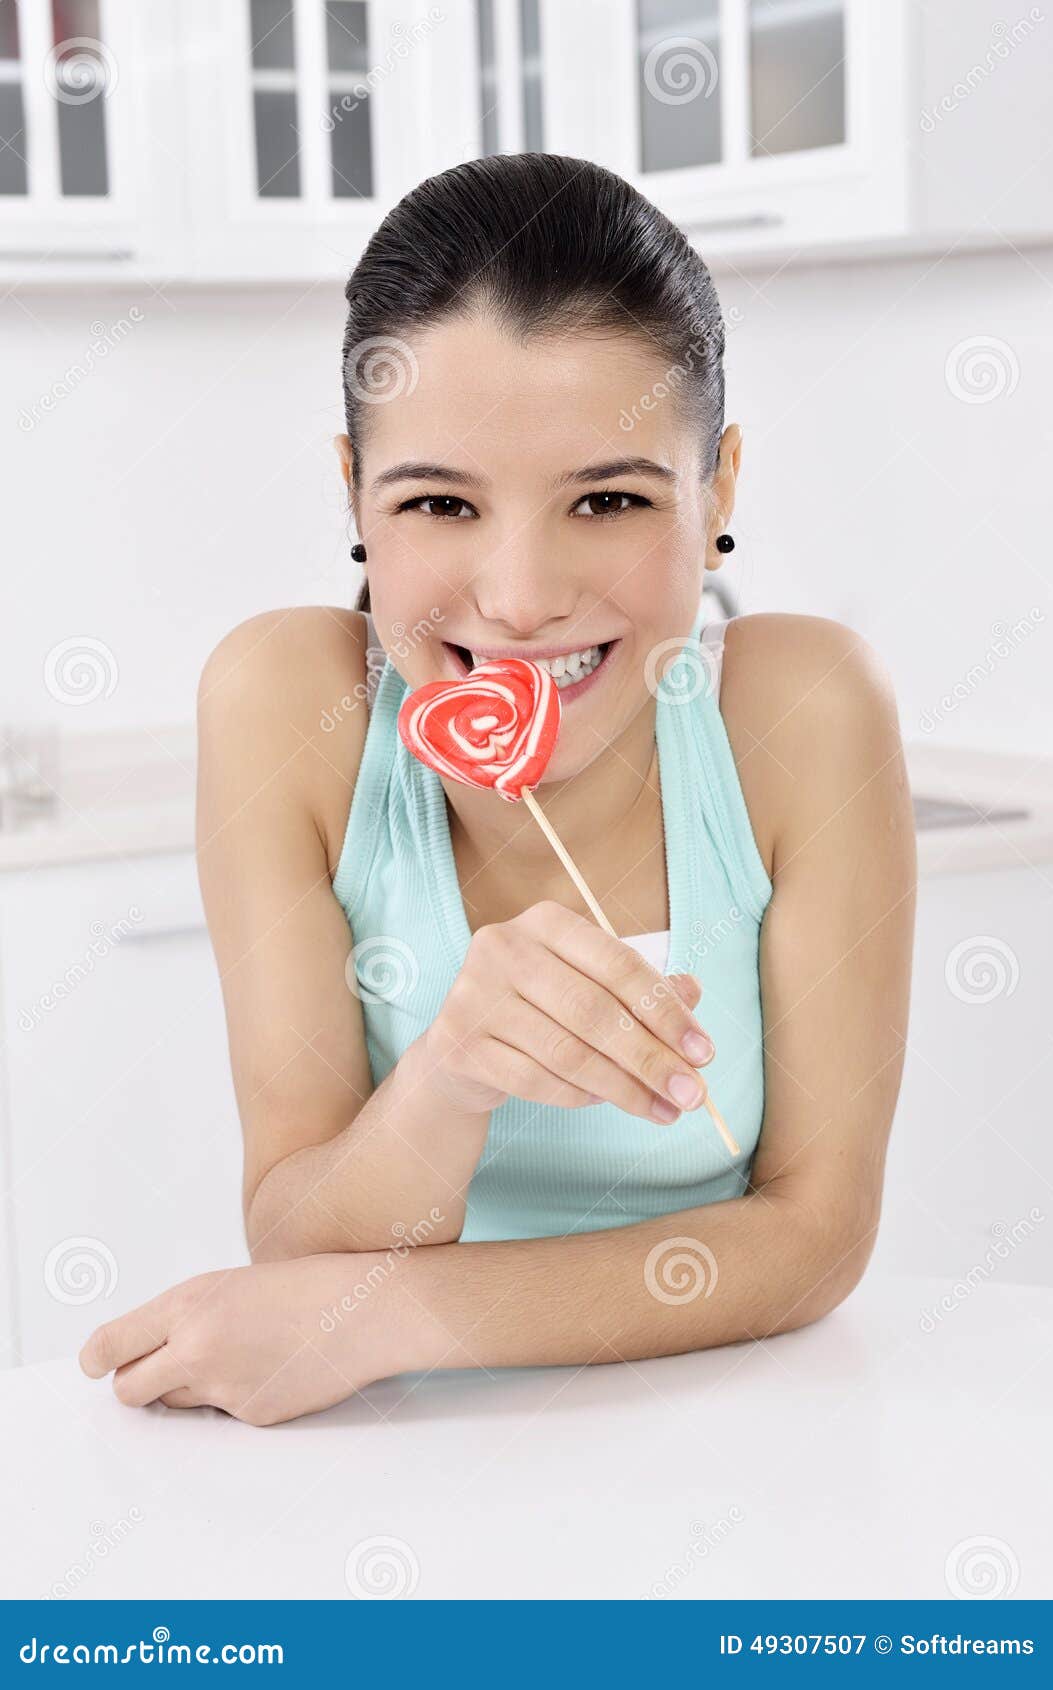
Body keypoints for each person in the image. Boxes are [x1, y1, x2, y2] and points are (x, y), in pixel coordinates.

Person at [79, 154, 916, 1425]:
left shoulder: (803, 711)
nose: (520, 599)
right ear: (353, 493)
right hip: (403, 1448)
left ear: (720, 485)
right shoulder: (284, 706)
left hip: (749, 1424)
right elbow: (295, 1237)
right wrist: (450, 1075)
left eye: (609, 497)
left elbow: (816, 1232)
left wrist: (399, 1314)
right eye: (440, 502)